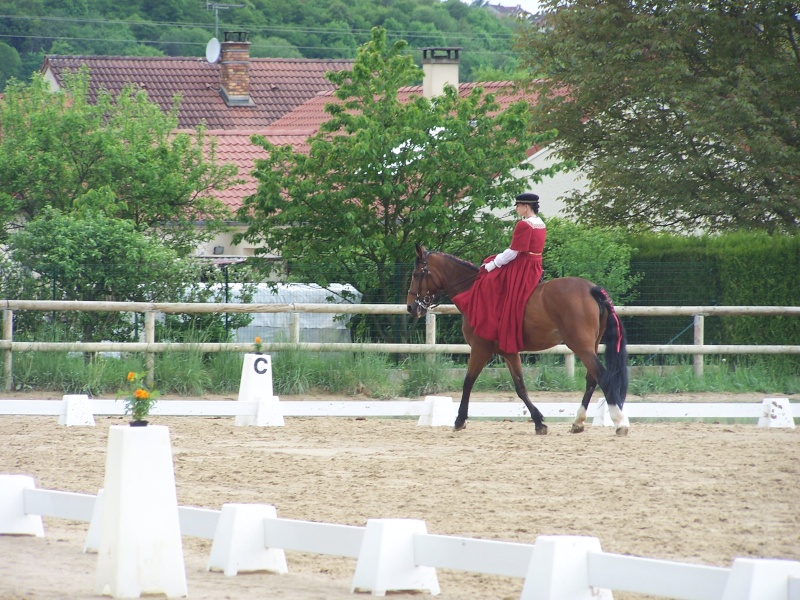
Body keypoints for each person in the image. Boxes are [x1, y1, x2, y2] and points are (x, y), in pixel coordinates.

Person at [452, 192, 546, 354]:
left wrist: (493, 264)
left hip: (522, 266)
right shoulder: (541, 223)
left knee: (488, 281)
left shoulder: (524, 225)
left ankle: (493, 326)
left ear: (526, 206)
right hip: (535, 265)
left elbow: (513, 252)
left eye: (518, 205)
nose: (516, 208)